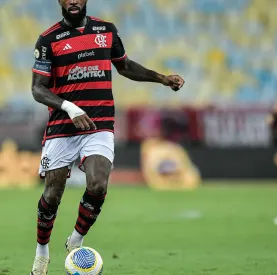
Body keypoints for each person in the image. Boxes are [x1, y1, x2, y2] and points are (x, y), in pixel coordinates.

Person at [30, 0, 185, 274]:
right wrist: (69, 107)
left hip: (99, 123)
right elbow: (38, 89)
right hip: (62, 127)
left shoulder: (106, 30)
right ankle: (42, 250)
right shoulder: (48, 40)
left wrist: (161, 78)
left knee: (98, 184)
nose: (73, 1)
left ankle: (76, 240)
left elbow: (124, 66)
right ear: (60, 2)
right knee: (52, 194)